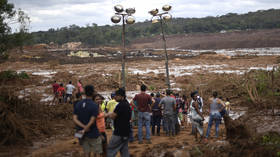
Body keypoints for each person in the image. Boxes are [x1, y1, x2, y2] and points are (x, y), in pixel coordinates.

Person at [73, 85, 102, 157]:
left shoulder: (78, 104)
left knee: (86, 153)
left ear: (84, 93)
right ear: (93, 93)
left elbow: (74, 119)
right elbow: (92, 120)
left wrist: (83, 128)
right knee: (97, 152)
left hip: (81, 134)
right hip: (93, 132)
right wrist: (86, 128)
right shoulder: (94, 105)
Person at [107, 88, 132, 157]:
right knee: (124, 150)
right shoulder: (126, 103)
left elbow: (113, 116)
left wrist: (108, 114)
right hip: (126, 131)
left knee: (110, 149)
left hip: (119, 132)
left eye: (117, 95)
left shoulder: (120, 105)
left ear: (122, 96)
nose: (115, 97)